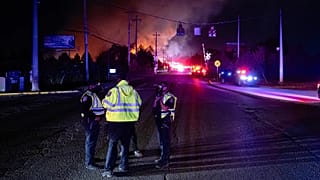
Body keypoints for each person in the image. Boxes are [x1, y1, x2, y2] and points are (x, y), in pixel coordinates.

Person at [101, 73, 142, 178]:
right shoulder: (134, 92)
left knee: (112, 145)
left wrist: (104, 99)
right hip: (128, 123)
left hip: (115, 123)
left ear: (118, 80)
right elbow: (139, 103)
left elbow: (106, 104)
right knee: (125, 145)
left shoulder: (115, 91)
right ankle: (123, 166)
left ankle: (108, 169)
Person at [80, 81, 105, 170]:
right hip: (90, 121)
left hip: (94, 121)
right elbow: (84, 111)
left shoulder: (93, 94)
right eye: (96, 84)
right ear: (91, 86)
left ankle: (91, 159)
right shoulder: (87, 96)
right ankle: (89, 163)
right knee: (90, 142)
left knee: (93, 141)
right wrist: (95, 117)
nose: (99, 86)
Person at [153, 81, 177, 169]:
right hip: (159, 120)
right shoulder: (159, 95)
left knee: (165, 141)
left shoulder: (170, 97)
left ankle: (165, 161)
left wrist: (159, 100)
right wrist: (156, 99)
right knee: (161, 141)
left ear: (166, 88)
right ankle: (162, 157)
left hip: (166, 121)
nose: (160, 88)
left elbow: (165, 108)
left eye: (162, 87)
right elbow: (154, 106)